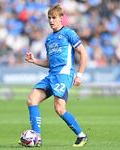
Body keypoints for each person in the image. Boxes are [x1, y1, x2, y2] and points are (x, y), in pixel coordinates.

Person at [20, 4, 88, 147]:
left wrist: (80, 75)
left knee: (59, 108)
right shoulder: (49, 39)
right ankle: (36, 137)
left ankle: (82, 136)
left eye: (54, 17)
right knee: (32, 100)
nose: (51, 21)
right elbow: (50, 63)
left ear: (61, 18)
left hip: (64, 74)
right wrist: (34, 61)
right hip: (52, 75)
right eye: (49, 18)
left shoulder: (69, 33)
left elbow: (83, 53)